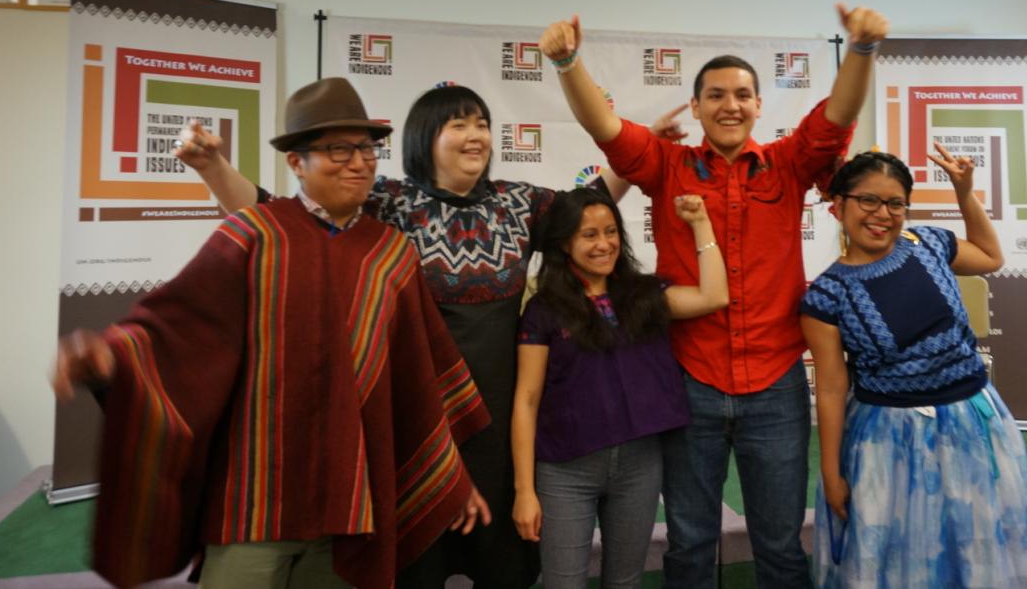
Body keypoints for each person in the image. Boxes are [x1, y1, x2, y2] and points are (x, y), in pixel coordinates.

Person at [178, 83, 679, 589]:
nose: (475, 136)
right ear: (424, 138)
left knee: (501, 561)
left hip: (500, 422)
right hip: (414, 419)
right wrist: (212, 168)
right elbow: (271, 216)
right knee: (416, 558)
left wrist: (638, 151)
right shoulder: (387, 202)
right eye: (458, 124)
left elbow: (588, 210)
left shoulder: (517, 203)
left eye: (481, 123)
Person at [51, 77, 492, 589]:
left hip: (351, 498)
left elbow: (417, 378)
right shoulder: (254, 234)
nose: (358, 162)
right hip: (254, 497)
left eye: (367, 149)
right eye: (337, 149)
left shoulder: (391, 255)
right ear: (296, 162)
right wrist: (111, 356)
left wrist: (450, 477)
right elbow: (177, 327)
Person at [539, 5, 889, 589]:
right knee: (690, 542)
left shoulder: (789, 162)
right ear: (697, 107)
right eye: (717, 95)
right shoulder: (665, 165)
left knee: (779, 544)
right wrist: (568, 62)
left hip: (775, 384)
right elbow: (605, 127)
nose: (731, 104)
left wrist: (860, 50)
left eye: (743, 95)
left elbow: (836, 117)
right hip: (688, 382)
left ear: (757, 106)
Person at [802, 148, 1027, 587]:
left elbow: (991, 257)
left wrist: (964, 192)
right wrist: (830, 471)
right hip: (887, 444)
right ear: (839, 205)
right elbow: (833, 389)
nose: (883, 214)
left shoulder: (928, 242)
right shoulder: (826, 296)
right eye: (868, 201)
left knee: (978, 549)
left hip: (973, 426)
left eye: (895, 203)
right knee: (901, 560)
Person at [511, 188, 728, 588]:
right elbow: (526, 401)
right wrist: (525, 490)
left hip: (639, 465)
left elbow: (715, 295)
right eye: (589, 235)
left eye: (610, 232)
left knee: (625, 582)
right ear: (564, 243)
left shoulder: (645, 295)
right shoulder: (542, 310)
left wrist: (700, 224)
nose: (603, 244)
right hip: (564, 471)